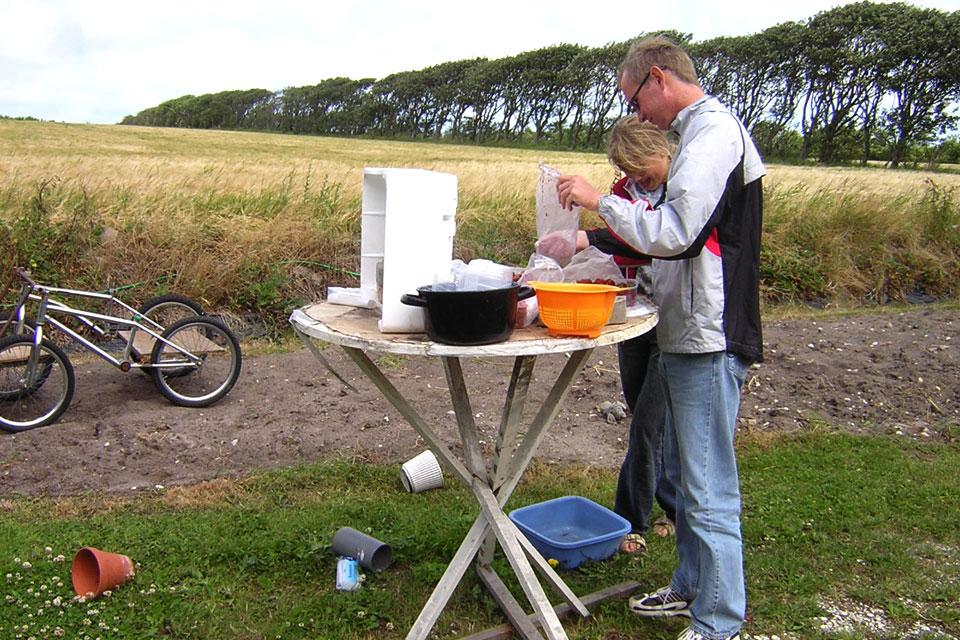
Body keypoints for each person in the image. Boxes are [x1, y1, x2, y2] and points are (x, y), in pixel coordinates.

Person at [557, 35, 765, 640]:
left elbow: (676, 232)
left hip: (711, 337)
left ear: (657, 78)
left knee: (706, 486)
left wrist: (600, 205)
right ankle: (691, 585)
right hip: (684, 331)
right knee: (689, 473)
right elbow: (669, 246)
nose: (639, 117)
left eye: (636, 101)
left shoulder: (715, 133)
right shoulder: (700, 136)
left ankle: (718, 620)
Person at [574, 115, 678, 555]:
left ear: (663, 150)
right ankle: (673, 506)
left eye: (642, 166)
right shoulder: (623, 193)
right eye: (626, 169)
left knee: (647, 425)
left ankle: (629, 520)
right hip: (635, 314)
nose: (637, 176)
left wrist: (590, 235)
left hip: (675, 320)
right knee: (645, 415)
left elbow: (652, 239)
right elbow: (622, 240)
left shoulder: (684, 190)